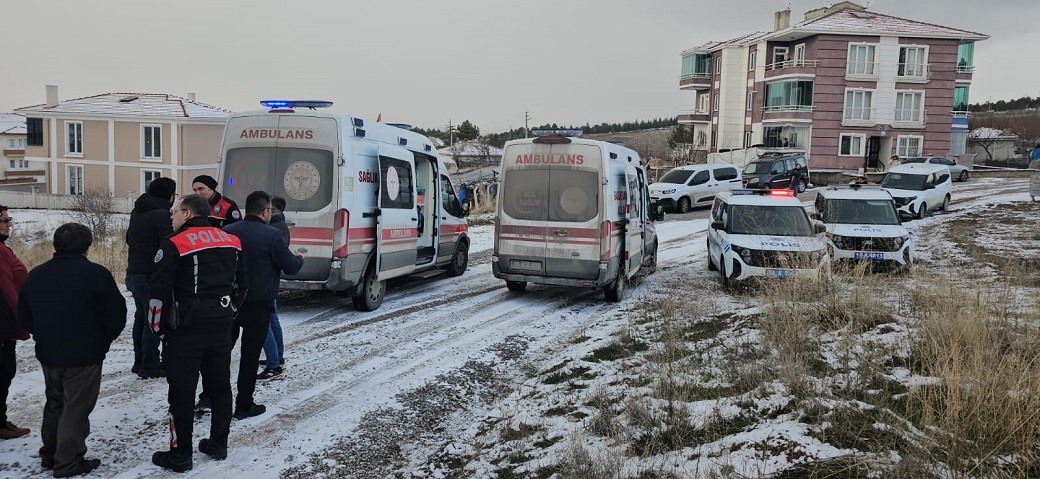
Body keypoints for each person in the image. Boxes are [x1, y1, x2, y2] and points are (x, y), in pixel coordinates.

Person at [17, 223, 126, 477]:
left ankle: (51, 454)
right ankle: (67, 463)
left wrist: (43, 335)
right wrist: (102, 342)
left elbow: (24, 316)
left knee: (55, 402)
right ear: (87, 247)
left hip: (49, 353)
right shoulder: (97, 275)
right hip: (84, 355)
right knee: (75, 409)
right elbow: (115, 315)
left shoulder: (36, 275)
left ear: (56, 245)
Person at [149, 194, 248, 472]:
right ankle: (219, 444)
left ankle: (180, 455)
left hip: (185, 329)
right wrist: (231, 310)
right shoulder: (232, 240)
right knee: (220, 387)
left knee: (182, 393)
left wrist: (158, 329)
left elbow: (158, 293)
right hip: (220, 325)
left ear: (188, 214)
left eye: (175, 211)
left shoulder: (173, 243)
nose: (171, 216)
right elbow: (243, 283)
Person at [223, 191, 303, 418]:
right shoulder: (272, 235)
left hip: (229, 302)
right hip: (258, 303)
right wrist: (299, 258)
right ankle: (244, 405)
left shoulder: (227, 231)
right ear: (266, 211)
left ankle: (211, 397)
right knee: (250, 356)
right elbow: (290, 267)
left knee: (221, 353)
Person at [126, 177, 177, 379]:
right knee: (153, 321)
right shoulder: (162, 215)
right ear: (170, 196)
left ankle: (139, 361)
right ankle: (150, 365)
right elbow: (169, 244)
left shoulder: (137, 210)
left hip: (133, 272)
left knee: (141, 317)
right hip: (150, 276)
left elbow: (129, 238)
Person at [0, 204, 30, 441]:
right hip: (3, 322)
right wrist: (22, 318)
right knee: (3, 370)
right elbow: (7, 287)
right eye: (5, 220)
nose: (9, 224)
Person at [259, 196, 290, 381]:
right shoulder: (280, 226)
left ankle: (274, 365)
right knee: (272, 320)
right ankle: (277, 357)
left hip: (264, 282)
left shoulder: (274, 229)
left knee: (264, 323)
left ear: (273, 210)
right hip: (271, 281)